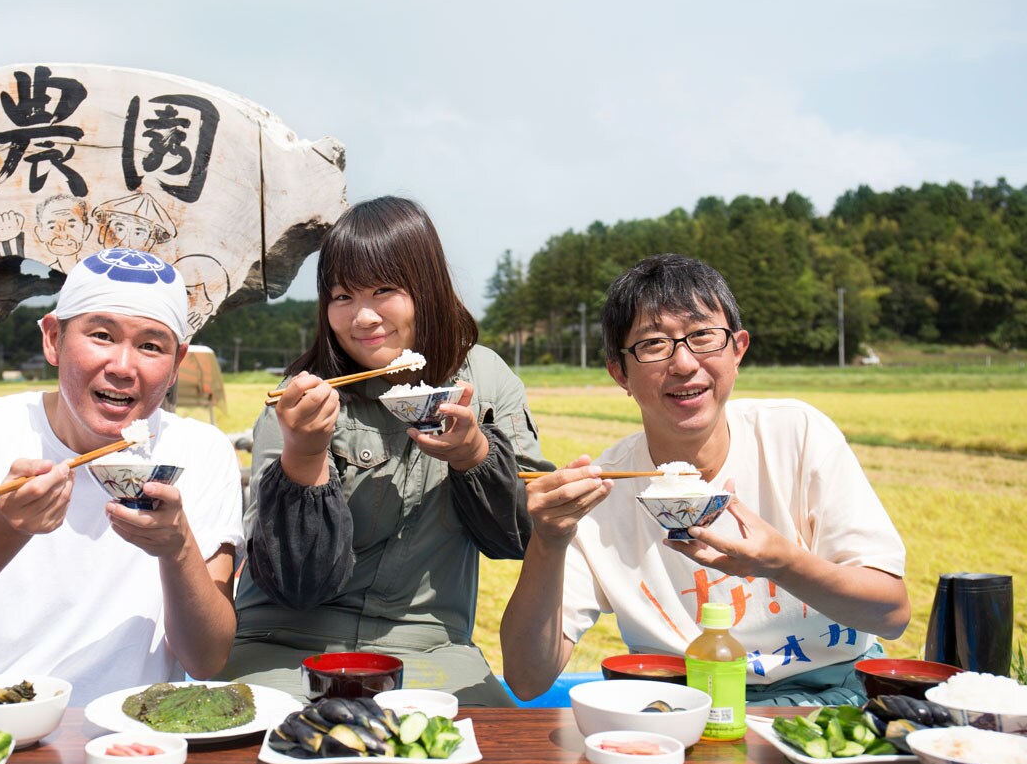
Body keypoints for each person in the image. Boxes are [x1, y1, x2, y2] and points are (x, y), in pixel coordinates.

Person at [500, 253, 910, 706]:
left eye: (703, 337)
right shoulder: (601, 494)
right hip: (680, 706)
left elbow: (891, 614)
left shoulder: (798, 434)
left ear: (738, 349)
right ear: (620, 373)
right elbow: (526, 678)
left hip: (831, 691)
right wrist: (550, 539)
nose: (683, 363)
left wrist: (781, 563)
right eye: (653, 344)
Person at [218, 196, 553, 705]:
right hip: (282, 647)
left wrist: (473, 456)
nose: (364, 317)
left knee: (502, 762)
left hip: (430, 650)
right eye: (342, 296)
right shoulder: (302, 397)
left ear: (428, 289)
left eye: (384, 290)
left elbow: (518, 537)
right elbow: (293, 584)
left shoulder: (485, 379)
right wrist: (305, 458)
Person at [0, 248, 243, 705]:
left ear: (175, 365)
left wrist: (177, 548)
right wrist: (6, 526)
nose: (123, 367)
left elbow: (207, 660)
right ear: (53, 338)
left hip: (124, 733)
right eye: (102, 335)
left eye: (151, 345)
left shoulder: (200, 453)